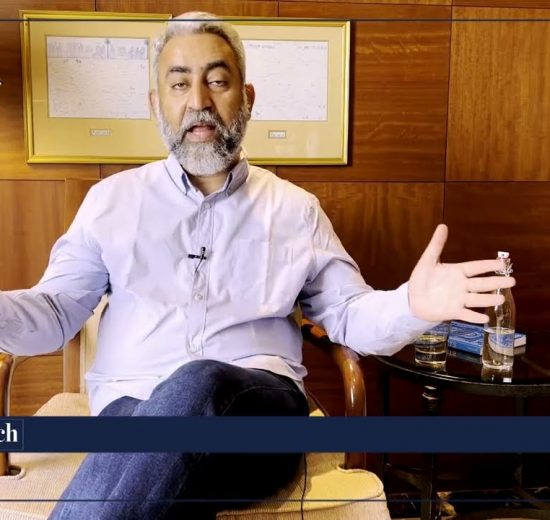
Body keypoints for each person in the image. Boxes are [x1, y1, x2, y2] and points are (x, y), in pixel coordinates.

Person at [0, 11, 515, 520]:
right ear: (156, 104)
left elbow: (350, 315)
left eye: (216, 81)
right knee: (166, 473)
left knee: (196, 384)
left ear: (246, 98)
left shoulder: (294, 209)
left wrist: (411, 306)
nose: (198, 102)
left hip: (258, 421)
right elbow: (56, 311)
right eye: (179, 84)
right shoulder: (109, 202)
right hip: (130, 416)